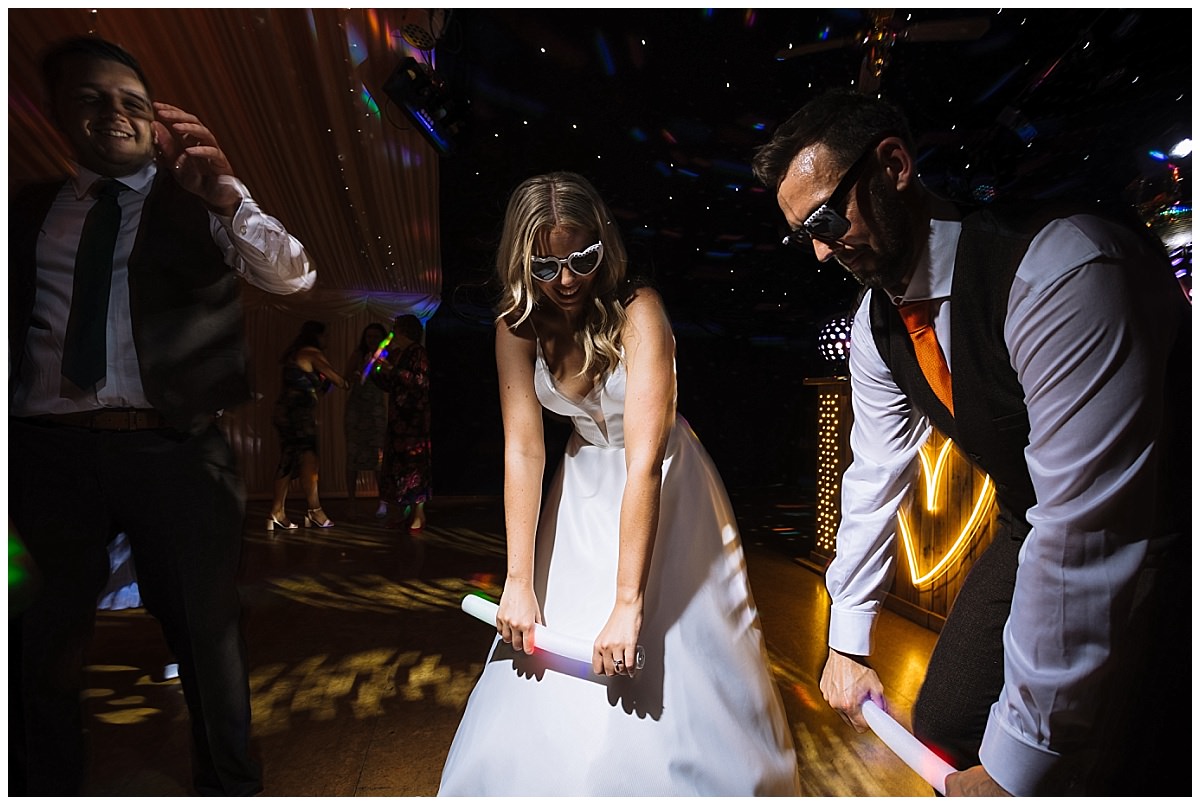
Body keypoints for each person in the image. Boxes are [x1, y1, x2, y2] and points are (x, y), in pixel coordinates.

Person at [751, 89, 1190, 796]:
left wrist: (1016, 765)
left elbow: (1088, 531)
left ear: (892, 164)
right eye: (805, 233)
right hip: (1038, 520)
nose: (823, 250)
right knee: (946, 722)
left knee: (1109, 761)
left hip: (1165, 527)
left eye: (828, 217)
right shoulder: (875, 327)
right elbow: (872, 478)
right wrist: (848, 635)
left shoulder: (1059, 270)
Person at [8, 36, 316, 795]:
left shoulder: (202, 204)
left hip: (179, 456)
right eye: (90, 97)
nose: (114, 112)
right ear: (56, 113)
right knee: (33, 653)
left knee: (210, 649)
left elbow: (294, 274)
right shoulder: (24, 209)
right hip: (45, 459)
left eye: (132, 102)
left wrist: (227, 195)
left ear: (157, 121)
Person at [437, 172, 800, 795]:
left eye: (581, 258)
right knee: (547, 649)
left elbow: (644, 459)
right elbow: (523, 449)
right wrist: (517, 582)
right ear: (522, 261)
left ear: (602, 243)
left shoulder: (640, 310)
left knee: (668, 647)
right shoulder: (515, 327)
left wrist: (628, 603)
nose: (569, 279)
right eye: (547, 266)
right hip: (580, 487)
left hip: (663, 479)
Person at [269, 320, 350, 530]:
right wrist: (354, 377)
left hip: (288, 413)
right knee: (309, 461)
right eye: (326, 336)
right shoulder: (312, 352)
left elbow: (319, 388)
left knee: (292, 459)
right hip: (298, 416)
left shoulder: (297, 354)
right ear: (317, 336)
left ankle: (278, 512)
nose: (328, 340)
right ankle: (314, 511)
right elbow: (339, 381)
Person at [368, 314, 432, 532]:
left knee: (415, 465)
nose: (392, 334)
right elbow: (391, 385)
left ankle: (419, 514)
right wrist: (375, 371)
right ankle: (407, 513)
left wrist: (392, 370)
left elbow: (420, 381)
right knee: (401, 468)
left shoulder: (417, 352)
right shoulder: (399, 354)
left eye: (396, 329)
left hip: (413, 421)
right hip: (398, 420)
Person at [343, 321, 390, 519]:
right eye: (368, 336)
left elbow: (388, 379)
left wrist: (382, 366)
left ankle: (382, 502)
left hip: (375, 411)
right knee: (353, 456)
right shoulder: (358, 355)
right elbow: (346, 380)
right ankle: (352, 502)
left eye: (375, 337)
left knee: (378, 456)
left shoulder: (385, 356)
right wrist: (356, 373)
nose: (371, 340)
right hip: (357, 410)